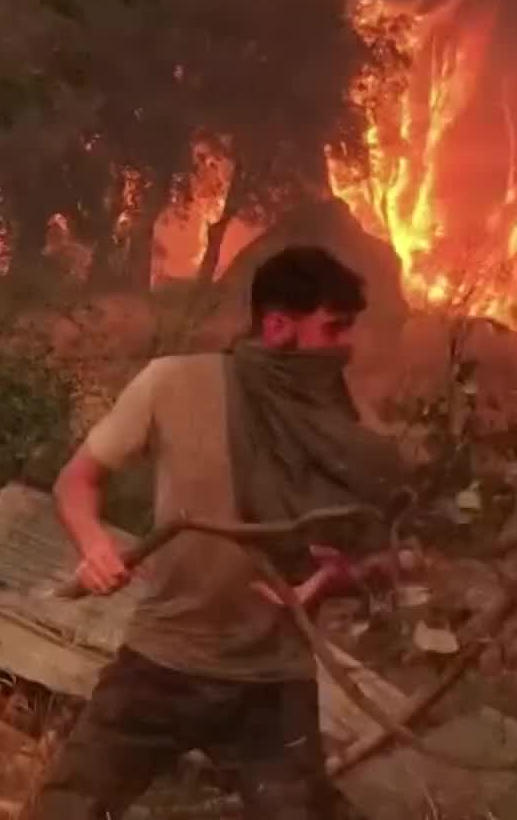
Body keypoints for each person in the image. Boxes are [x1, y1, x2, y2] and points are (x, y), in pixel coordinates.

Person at [29, 246, 408, 820]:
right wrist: (95, 546)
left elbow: (391, 559)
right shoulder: (175, 382)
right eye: (332, 329)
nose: (343, 347)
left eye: (347, 330)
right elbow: (76, 482)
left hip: (272, 684)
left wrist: (334, 579)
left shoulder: (347, 430)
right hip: (162, 663)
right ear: (279, 325)